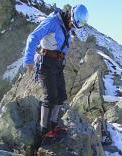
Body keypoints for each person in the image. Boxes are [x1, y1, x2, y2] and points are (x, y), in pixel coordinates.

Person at [24, 4, 88, 137]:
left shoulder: (66, 25)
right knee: (50, 97)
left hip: (58, 64)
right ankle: (44, 130)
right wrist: (28, 60)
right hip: (46, 62)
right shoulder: (53, 21)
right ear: (70, 15)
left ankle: (53, 126)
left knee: (61, 95)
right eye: (72, 24)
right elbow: (33, 37)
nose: (71, 27)